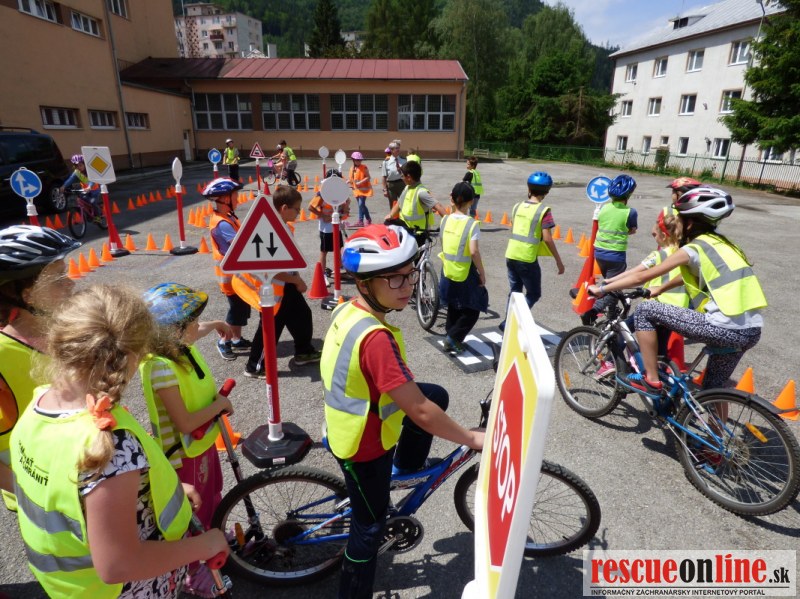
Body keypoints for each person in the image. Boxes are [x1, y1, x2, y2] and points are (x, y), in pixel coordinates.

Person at [10, 285, 228, 598]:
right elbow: (119, 564)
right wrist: (204, 545)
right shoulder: (109, 444)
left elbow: (73, 489)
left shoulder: (38, 405)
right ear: (133, 355)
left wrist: (160, 488)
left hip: (72, 588)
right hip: (126, 590)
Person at [323, 223, 484, 597]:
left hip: (357, 414)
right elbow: (420, 412)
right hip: (362, 446)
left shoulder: (349, 310)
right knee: (368, 529)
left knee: (436, 393)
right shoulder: (375, 340)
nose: (408, 286)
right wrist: (471, 438)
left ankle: (407, 467)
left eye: (409, 274)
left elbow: (421, 401)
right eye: (394, 279)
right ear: (365, 284)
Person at [588, 187, 766, 394]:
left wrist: (602, 288)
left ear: (689, 223)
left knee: (645, 310)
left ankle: (650, 379)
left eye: (680, 219)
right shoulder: (724, 245)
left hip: (722, 326)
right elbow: (690, 276)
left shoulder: (693, 248)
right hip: (751, 330)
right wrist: (661, 288)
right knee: (713, 389)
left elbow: (640, 277)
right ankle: (712, 416)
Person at [140, 283, 234, 598]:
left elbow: (198, 331)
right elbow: (185, 422)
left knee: (213, 496)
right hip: (184, 454)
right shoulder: (161, 369)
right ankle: (194, 572)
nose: (198, 326)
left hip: (201, 444)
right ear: (172, 331)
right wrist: (219, 405)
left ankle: (212, 541)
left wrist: (217, 324)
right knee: (194, 513)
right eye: (192, 322)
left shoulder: (177, 345)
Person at [0, 225, 80, 511]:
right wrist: (35, 495)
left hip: (87, 482)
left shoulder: (65, 332)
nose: (71, 284)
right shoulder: (3, 356)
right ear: (28, 295)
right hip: (44, 501)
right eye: (58, 279)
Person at [232, 186, 322, 378]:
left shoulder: (283, 226)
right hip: (271, 288)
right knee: (270, 327)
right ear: (284, 208)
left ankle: (304, 351)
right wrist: (296, 280)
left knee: (302, 314)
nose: (298, 212)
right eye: (296, 209)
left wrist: (294, 278)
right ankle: (254, 366)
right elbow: (269, 269)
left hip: (285, 285)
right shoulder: (269, 229)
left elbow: (287, 261)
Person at [501, 172, 565, 329]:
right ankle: (510, 322)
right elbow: (547, 238)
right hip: (527, 257)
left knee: (515, 291)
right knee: (534, 293)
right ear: (547, 192)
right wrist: (558, 260)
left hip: (511, 253)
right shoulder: (543, 211)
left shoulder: (517, 206)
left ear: (528, 188)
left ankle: (507, 321)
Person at [205, 178, 253, 360]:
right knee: (236, 311)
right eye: (235, 195)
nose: (238, 198)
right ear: (225, 199)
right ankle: (223, 341)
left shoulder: (229, 217)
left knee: (241, 309)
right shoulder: (222, 223)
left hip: (237, 276)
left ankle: (236, 339)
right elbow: (239, 246)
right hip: (230, 278)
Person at [438, 182, 488, 355]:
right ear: (471, 201)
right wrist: (482, 273)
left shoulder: (445, 220)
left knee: (454, 305)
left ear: (452, 199)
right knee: (473, 308)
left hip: (447, 270)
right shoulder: (471, 224)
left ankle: (450, 335)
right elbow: (474, 252)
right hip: (464, 272)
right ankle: (453, 338)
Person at [583, 174, 639, 325]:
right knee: (614, 288)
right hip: (616, 255)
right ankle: (592, 312)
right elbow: (632, 230)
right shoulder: (630, 212)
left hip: (600, 253)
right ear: (629, 195)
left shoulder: (604, 208)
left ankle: (612, 315)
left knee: (609, 283)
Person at [385, 160, 447, 240]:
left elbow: (439, 206)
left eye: (402, 176)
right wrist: (390, 215)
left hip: (418, 231)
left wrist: (449, 224)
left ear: (409, 177)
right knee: (387, 224)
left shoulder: (421, 193)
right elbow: (399, 204)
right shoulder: (407, 187)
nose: (402, 178)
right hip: (406, 225)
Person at [308, 169, 351, 277]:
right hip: (326, 228)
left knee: (338, 249)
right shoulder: (322, 193)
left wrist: (346, 206)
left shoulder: (341, 192)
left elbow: (345, 206)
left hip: (336, 225)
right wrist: (323, 216)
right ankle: (322, 275)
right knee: (324, 251)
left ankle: (339, 270)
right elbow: (311, 207)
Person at [347, 151, 373, 227]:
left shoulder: (364, 167)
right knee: (361, 205)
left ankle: (363, 220)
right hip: (356, 190)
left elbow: (368, 177)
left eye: (360, 160)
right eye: (357, 160)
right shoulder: (352, 168)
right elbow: (352, 178)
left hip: (363, 190)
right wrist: (348, 181)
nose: (359, 161)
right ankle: (365, 220)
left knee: (361, 204)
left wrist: (360, 182)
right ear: (353, 160)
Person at [381, 141, 406, 211]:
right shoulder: (386, 162)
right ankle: (394, 217)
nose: (398, 150)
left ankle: (403, 217)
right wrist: (385, 190)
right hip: (391, 186)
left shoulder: (404, 160)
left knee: (404, 204)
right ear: (391, 150)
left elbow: (407, 174)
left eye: (398, 148)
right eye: (396, 148)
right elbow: (384, 176)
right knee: (393, 204)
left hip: (402, 184)